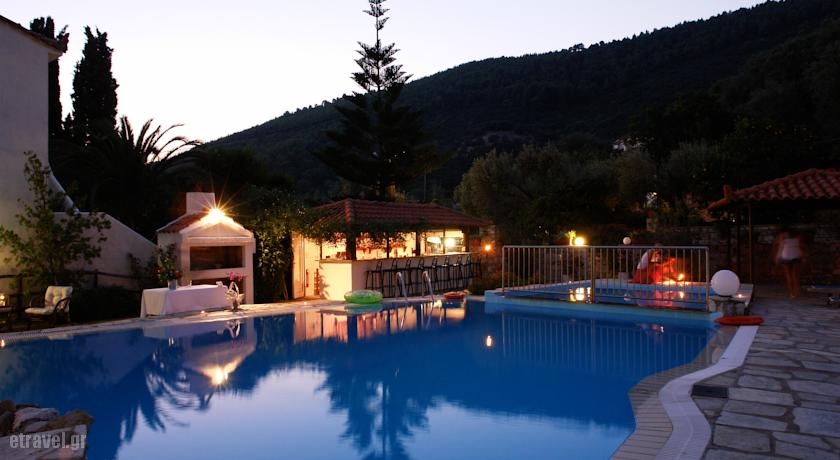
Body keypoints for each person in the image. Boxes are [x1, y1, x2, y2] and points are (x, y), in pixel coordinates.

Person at [775, 227, 804, 298]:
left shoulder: (785, 240)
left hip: (787, 258)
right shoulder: (796, 240)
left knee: (790, 276)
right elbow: (800, 248)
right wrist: (802, 256)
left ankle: (793, 292)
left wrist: (777, 257)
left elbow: (780, 249)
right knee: (793, 276)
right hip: (794, 257)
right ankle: (795, 291)